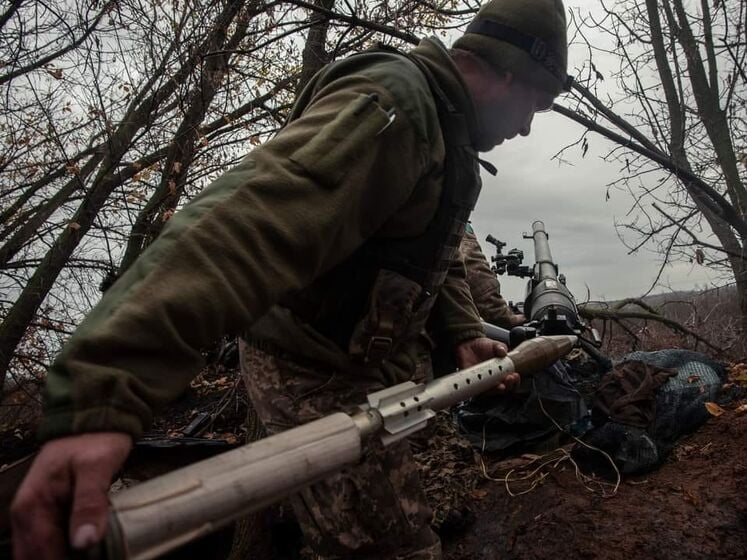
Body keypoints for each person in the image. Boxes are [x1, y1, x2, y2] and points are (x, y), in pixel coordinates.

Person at [11, 0, 569, 558]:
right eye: (535, 106)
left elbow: (422, 248)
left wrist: (460, 328)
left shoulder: (445, 127)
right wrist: (106, 387)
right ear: (503, 71)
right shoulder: (394, 107)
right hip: (310, 371)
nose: (525, 127)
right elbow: (252, 226)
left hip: (359, 365)